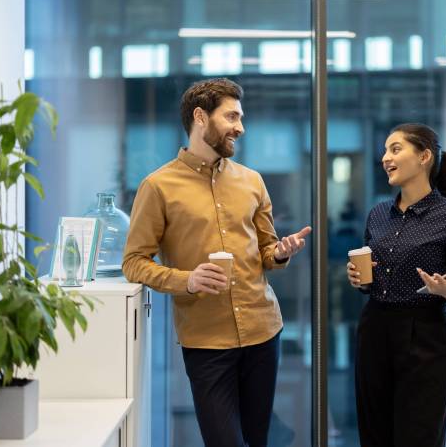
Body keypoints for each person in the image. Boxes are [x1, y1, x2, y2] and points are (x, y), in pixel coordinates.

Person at [122, 78, 311, 447]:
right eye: (231, 116)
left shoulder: (252, 181)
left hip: (263, 331)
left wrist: (281, 252)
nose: (240, 127)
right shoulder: (157, 186)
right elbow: (134, 262)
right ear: (200, 117)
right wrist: (186, 280)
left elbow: (266, 251)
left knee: (257, 439)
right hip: (207, 342)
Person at [346, 123, 446, 447]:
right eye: (385, 150)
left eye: (395, 149)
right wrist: (360, 280)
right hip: (375, 328)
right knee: (373, 431)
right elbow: (372, 280)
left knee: (419, 434)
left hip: (425, 333)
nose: (385, 158)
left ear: (424, 156)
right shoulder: (378, 214)